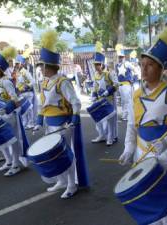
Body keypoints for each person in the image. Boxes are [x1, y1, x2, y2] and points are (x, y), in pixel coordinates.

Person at [118, 27, 167, 225]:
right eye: (142, 64)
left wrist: (166, 143)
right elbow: (131, 126)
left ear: (161, 68)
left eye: (150, 65)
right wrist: (128, 149)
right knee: (150, 201)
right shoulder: (136, 94)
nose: (144, 69)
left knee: (166, 204)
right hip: (142, 153)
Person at [33, 30, 89, 198]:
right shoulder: (45, 82)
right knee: (53, 155)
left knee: (65, 154)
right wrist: (38, 121)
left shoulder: (62, 81)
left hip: (63, 124)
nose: (40, 69)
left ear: (47, 66)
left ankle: (72, 184)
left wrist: (74, 119)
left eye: (41, 66)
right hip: (50, 124)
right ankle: (62, 180)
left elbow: (76, 102)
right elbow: (43, 104)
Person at [0, 46, 29, 176]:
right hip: (1, 114)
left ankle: (16, 164)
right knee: (6, 139)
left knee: (13, 140)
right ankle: (10, 162)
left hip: (10, 115)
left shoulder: (6, 81)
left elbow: (15, 99)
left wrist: (6, 109)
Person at [90, 42, 118, 146]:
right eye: (95, 64)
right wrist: (93, 95)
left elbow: (116, 84)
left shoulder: (110, 72)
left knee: (110, 120)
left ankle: (110, 138)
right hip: (99, 100)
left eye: (97, 64)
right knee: (98, 119)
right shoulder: (96, 74)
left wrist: (108, 91)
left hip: (109, 99)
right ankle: (101, 135)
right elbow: (94, 86)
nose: (96, 66)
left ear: (102, 64)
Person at [15, 54, 35, 129]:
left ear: (21, 64)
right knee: (23, 108)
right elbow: (18, 83)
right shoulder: (18, 72)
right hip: (21, 94)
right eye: (16, 63)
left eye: (17, 63)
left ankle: (31, 123)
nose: (16, 65)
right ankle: (25, 122)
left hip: (28, 93)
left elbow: (32, 81)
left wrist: (26, 86)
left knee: (29, 108)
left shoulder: (25, 72)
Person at [115, 48, 134, 121]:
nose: (121, 58)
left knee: (127, 101)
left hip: (127, 85)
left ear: (124, 57)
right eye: (119, 57)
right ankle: (124, 115)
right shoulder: (117, 65)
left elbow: (134, 69)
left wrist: (132, 79)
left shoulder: (127, 63)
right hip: (120, 86)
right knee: (123, 101)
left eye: (122, 57)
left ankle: (127, 116)